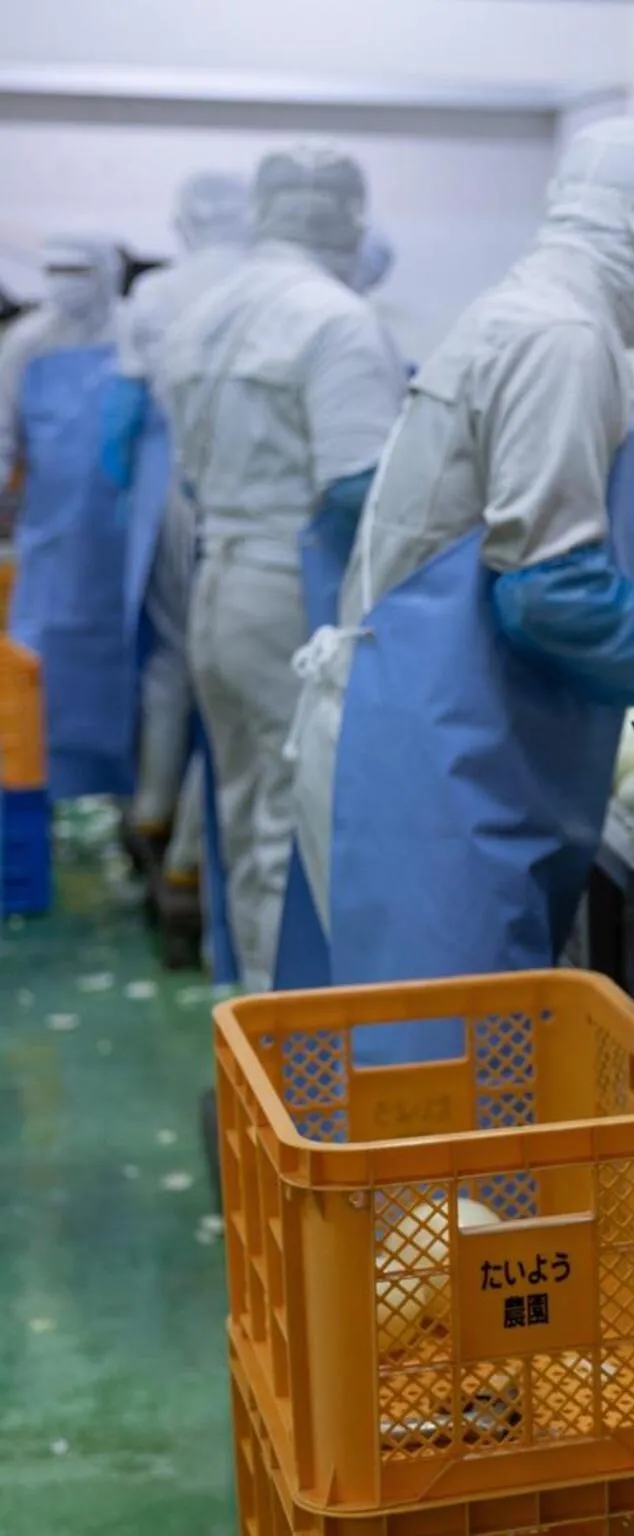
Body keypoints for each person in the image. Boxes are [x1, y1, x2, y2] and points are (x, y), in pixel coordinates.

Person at [278, 118, 634, 1034]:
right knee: (442, 1096)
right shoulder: (561, 338)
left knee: (438, 1077)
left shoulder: (534, 314)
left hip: (437, 748)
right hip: (430, 776)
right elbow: (549, 593)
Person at [158, 145, 406, 990]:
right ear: (349, 214)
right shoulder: (334, 319)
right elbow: (356, 487)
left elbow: (189, 469)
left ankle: (254, 1028)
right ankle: (289, 1050)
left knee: (243, 815)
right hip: (286, 596)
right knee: (291, 828)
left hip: (217, 581)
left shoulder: (203, 313)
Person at [101, 171, 250, 962]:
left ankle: (156, 816)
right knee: (233, 691)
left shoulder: (156, 292)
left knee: (172, 666)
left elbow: (119, 423)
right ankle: (191, 857)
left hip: (170, 490)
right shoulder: (274, 288)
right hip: (243, 500)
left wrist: (130, 497)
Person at [0, 237, 133, 799]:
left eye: (78, 269)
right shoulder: (25, 343)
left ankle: (119, 799)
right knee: (43, 659)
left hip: (125, 536)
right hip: (51, 533)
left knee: (122, 665)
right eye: (54, 269)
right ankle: (43, 791)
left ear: (106, 272)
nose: (64, 280)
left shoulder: (136, 336)